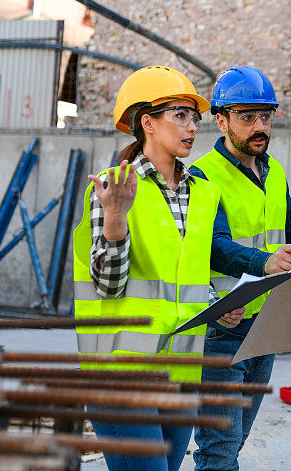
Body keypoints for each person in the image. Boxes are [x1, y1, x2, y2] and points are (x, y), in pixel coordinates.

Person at [189, 66, 291, 471]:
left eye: (266, 117)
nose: (260, 126)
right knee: (219, 449)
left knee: (234, 441)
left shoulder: (273, 172)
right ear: (221, 120)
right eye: (247, 117)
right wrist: (265, 262)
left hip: (264, 324)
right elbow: (214, 246)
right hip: (222, 326)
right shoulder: (202, 176)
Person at [73, 65, 218, 471]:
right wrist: (116, 219)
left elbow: (184, 274)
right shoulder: (112, 186)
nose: (192, 127)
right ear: (148, 122)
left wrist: (218, 303)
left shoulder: (203, 193)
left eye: (195, 117)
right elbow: (107, 284)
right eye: (180, 114)